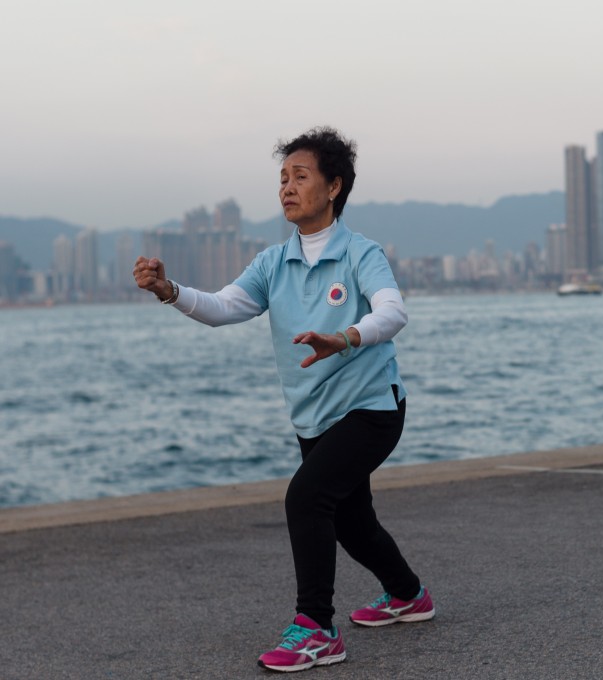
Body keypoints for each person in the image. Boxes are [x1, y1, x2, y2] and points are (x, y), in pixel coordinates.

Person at [133, 126, 434, 673]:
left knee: (306, 499)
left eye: (300, 176)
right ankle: (407, 593)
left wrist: (343, 337)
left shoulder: (361, 254)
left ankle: (317, 628)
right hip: (314, 415)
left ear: (334, 186)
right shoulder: (273, 262)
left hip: (372, 408)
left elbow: (393, 312)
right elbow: (224, 305)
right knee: (351, 521)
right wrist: (169, 291)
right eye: (282, 178)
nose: (287, 187)